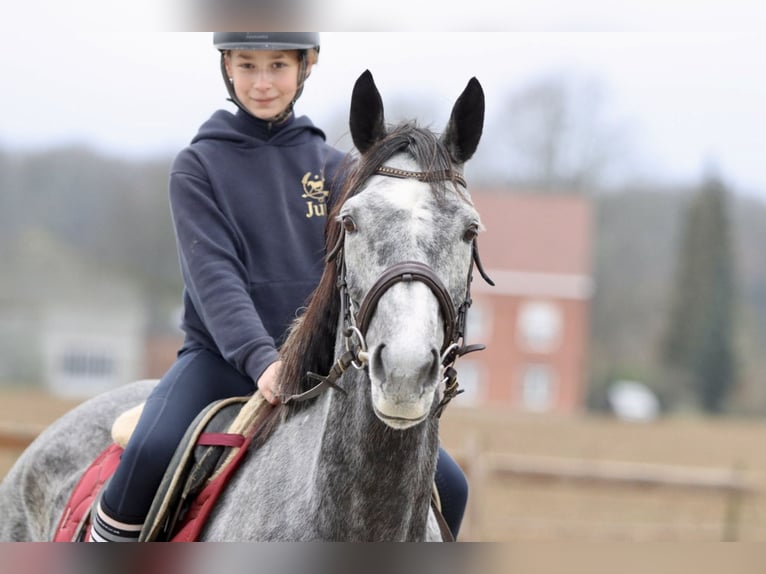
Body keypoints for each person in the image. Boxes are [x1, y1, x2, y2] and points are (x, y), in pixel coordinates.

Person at [89, 32, 467, 542]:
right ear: (226, 66)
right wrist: (261, 360)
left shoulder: (339, 171)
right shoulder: (198, 166)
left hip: (320, 367)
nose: (262, 82)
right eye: (247, 65)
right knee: (148, 455)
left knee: (452, 485)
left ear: (305, 66)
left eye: (277, 66)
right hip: (221, 362)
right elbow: (214, 278)